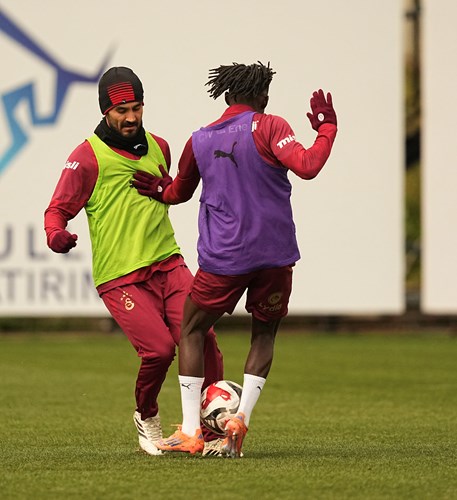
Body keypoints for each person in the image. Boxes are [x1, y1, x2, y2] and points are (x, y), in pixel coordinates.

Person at [131, 61, 338, 458]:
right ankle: (240, 419)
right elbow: (308, 166)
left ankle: (191, 430)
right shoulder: (270, 126)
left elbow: (178, 193)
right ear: (263, 98)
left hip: (224, 257)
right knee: (264, 334)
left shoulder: (200, 139)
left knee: (191, 329)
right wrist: (327, 128)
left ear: (226, 96)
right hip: (275, 255)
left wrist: (157, 188)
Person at [44, 66, 225, 457]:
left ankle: (211, 431)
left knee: (205, 340)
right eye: (121, 110)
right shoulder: (86, 157)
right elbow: (56, 210)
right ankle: (146, 414)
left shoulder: (160, 147)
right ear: (105, 111)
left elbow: (172, 192)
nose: (130, 117)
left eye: (136, 107)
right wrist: (55, 234)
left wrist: (169, 189)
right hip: (121, 276)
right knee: (159, 351)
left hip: (169, 264)